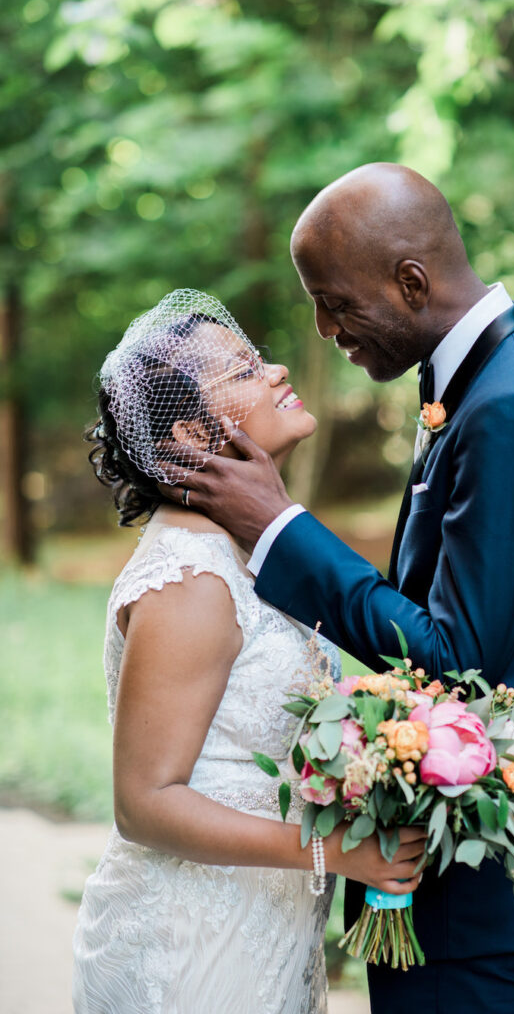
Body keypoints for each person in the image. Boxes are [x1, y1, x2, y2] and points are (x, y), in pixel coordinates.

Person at [157, 166, 514, 1014]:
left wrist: (279, 528)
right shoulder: (478, 380)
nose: (325, 327)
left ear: (410, 282)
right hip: (452, 874)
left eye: (334, 302)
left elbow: (458, 659)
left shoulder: (511, 404)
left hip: (480, 884)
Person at [72, 289, 425, 1014]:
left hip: (260, 924)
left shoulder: (243, 553)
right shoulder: (193, 576)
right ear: (188, 438)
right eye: (241, 371)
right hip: (192, 943)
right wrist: (338, 853)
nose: (276, 368)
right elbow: (145, 804)